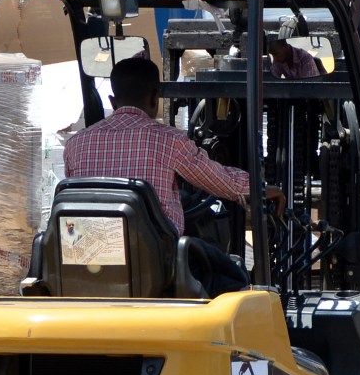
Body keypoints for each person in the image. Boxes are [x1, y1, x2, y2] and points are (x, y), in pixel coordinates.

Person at [64, 57, 278, 295]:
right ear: (155, 99)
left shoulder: (75, 145)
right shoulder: (169, 141)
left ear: (112, 101)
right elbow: (221, 181)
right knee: (232, 274)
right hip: (153, 264)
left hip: (85, 261)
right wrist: (259, 188)